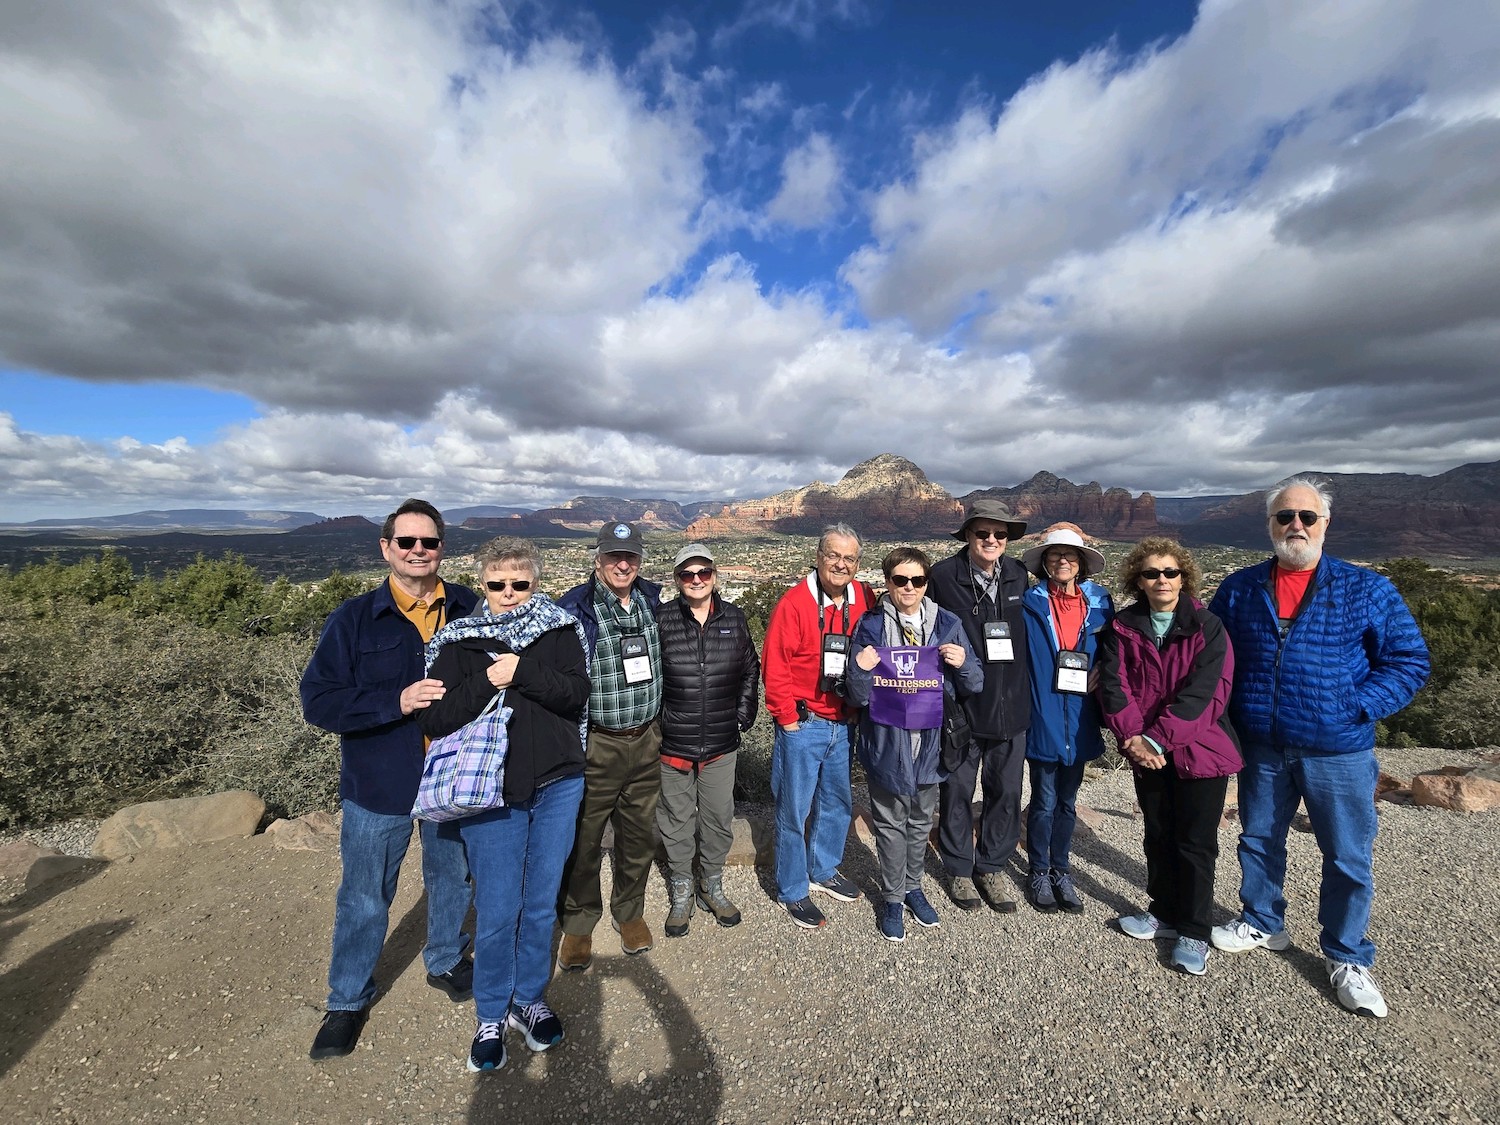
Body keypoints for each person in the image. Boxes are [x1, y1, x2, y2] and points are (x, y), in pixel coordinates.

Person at [1208, 476, 1430, 1017]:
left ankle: (1347, 955)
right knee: (1259, 839)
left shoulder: (1367, 589)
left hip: (1339, 749)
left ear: (1325, 524)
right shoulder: (1239, 588)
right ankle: (1262, 922)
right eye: (1285, 517)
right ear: (1270, 525)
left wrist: (1357, 705)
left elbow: (1409, 661)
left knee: (1348, 855)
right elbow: (1210, 655)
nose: (1296, 526)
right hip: (1262, 744)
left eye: (1307, 517)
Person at [299, 498, 479, 1061]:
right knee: (364, 895)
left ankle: (446, 958)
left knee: (452, 877)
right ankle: (347, 999)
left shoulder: (471, 607)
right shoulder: (353, 619)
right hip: (381, 781)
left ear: (442, 548)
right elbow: (319, 701)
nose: (418, 552)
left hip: (451, 777)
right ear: (386, 549)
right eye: (407, 542)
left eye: (428, 542)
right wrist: (394, 701)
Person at [1097, 537, 1242, 976]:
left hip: (1200, 750)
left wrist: (1156, 740)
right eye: (1151, 573)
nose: (1161, 579)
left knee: (1195, 842)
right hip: (1143, 750)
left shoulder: (1207, 625)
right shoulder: (1123, 626)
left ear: (1184, 576)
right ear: (1137, 580)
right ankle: (1162, 912)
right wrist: (1133, 738)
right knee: (1157, 833)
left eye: (1170, 572)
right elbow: (1113, 685)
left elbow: (1209, 693)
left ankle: (1195, 930)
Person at [847, 548, 983, 942]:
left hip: (932, 745)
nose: (909, 588)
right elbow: (856, 696)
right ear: (887, 582)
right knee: (889, 823)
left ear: (926, 582)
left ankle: (913, 887)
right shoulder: (870, 625)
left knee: (921, 820)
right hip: (887, 743)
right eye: (900, 580)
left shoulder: (947, 623)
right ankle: (892, 897)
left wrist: (963, 663)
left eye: (917, 581)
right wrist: (860, 669)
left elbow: (974, 684)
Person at [556, 522, 664, 968]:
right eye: (614, 556)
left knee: (638, 834)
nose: (624, 564)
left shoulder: (653, 601)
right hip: (596, 742)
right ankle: (579, 922)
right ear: (597, 558)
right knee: (583, 836)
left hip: (647, 738)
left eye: (631, 557)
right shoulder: (574, 609)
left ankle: (629, 911)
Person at [762, 523, 877, 928]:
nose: (841, 564)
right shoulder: (794, 604)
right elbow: (774, 665)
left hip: (842, 722)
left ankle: (824, 870)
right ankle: (792, 889)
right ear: (818, 557)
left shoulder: (864, 596)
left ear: (858, 564)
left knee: (837, 804)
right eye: (833, 555)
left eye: (849, 558)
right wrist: (788, 720)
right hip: (804, 724)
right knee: (794, 810)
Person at [927, 498, 1031, 913]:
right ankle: (957, 867)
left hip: (1013, 706)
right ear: (968, 536)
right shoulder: (943, 577)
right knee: (957, 790)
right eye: (982, 533)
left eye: (999, 534)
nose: (991, 540)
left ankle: (991, 865)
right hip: (964, 707)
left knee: (1005, 791)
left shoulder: (1020, 575)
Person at [654, 543, 761, 936]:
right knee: (676, 819)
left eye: (703, 573)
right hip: (674, 740)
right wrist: (658, 723)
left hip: (720, 741)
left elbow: (751, 667)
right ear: (677, 579)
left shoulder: (734, 617)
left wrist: (743, 714)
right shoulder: (661, 619)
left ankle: (711, 883)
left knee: (717, 818)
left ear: (714, 576)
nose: (696, 580)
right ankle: (682, 887)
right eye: (687, 574)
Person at [1019, 524, 1115, 915]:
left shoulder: (1102, 605)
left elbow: (1119, 650)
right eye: (1054, 554)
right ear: (1044, 562)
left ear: (1081, 564)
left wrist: (1105, 670)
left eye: (1070, 555)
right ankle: (1038, 869)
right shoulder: (1030, 604)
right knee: (1042, 800)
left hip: (1081, 717)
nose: (1062, 560)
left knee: (1069, 802)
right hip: (1042, 712)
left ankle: (1062, 869)